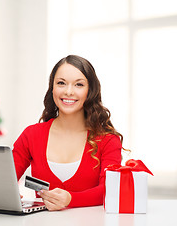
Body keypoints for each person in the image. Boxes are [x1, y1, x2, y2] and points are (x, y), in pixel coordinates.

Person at [12, 55, 123, 211]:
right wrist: (9, 196)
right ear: (52, 88)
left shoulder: (108, 140)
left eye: (79, 84)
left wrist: (70, 199)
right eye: (61, 83)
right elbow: (4, 181)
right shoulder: (31, 135)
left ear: (90, 90)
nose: (69, 91)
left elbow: (110, 190)